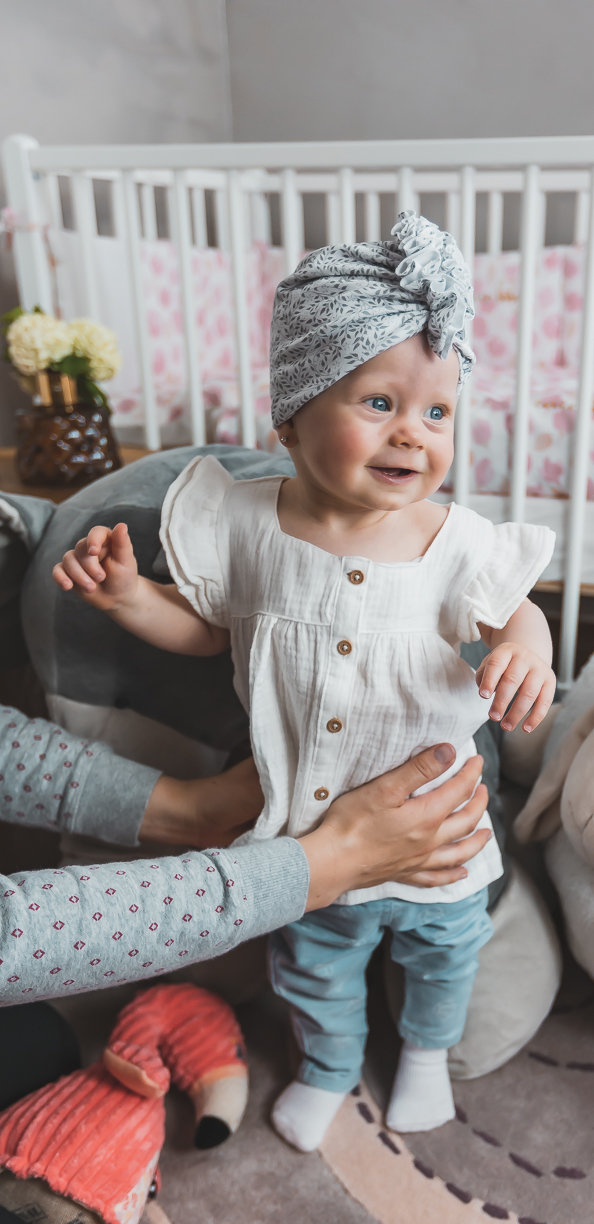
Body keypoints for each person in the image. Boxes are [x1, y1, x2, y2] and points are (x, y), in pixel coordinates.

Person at [53, 212, 556, 1151]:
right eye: (379, 404)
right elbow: (207, 634)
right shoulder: (246, 524)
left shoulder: (455, 542)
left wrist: (530, 647)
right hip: (308, 827)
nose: (414, 433)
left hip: (438, 828)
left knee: (444, 954)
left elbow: (509, 612)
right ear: (289, 415)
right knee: (315, 963)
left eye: (437, 411)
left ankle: (420, 1055)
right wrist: (128, 599)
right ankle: (328, 1065)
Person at [0, 705, 490, 1002]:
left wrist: (187, 808)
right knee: (46, 1048)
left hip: (446, 888)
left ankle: (425, 1052)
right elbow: (15, 937)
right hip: (328, 896)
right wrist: (326, 864)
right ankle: (329, 1070)